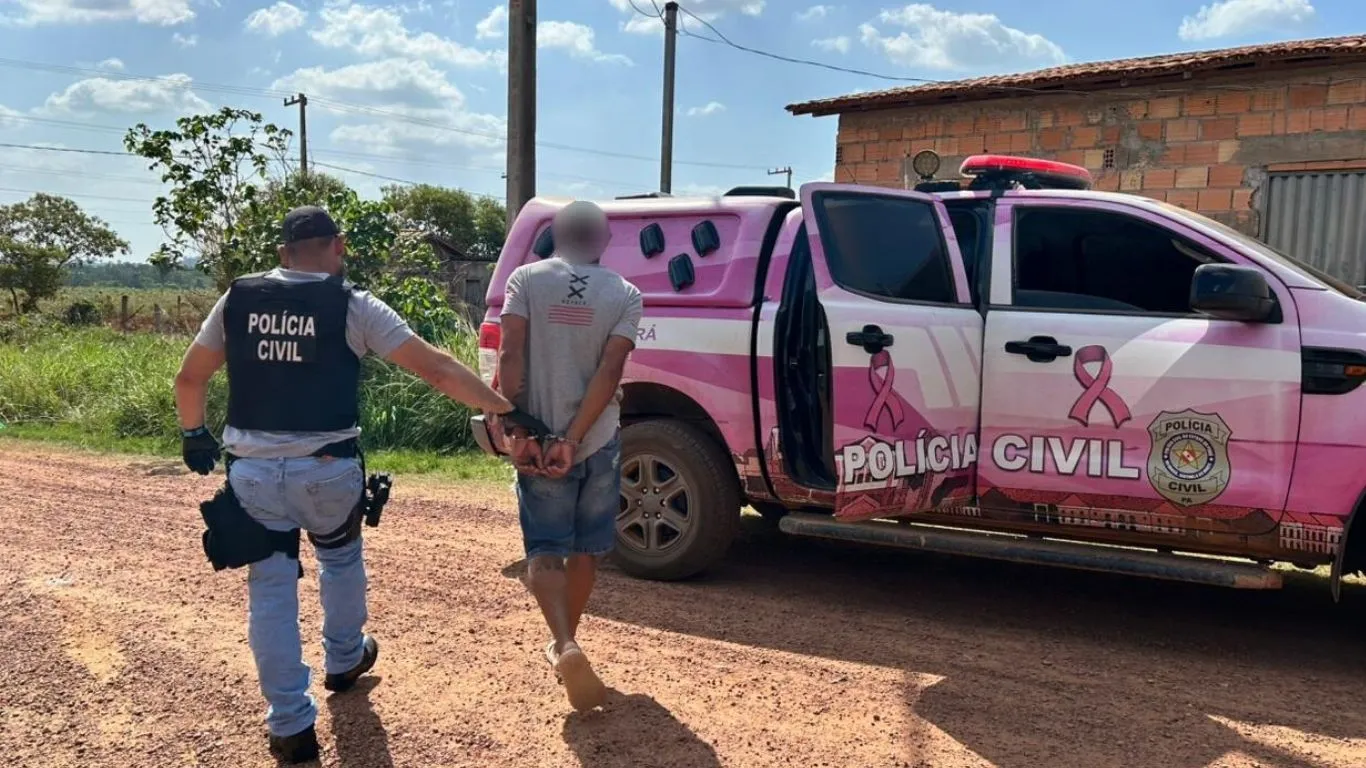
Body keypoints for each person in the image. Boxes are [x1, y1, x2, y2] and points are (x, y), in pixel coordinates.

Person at [174, 206, 542, 763]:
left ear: (282, 255)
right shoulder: (352, 304)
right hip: (327, 468)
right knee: (340, 561)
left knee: (270, 590)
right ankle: (344, 659)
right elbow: (437, 369)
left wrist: (194, 433)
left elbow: (190, 376)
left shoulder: (238, 299)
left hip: (252, 473)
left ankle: (291, 724)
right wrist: (504, 409)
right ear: (338, 246)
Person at [494, 199, 642, 712]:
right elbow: (610, 372)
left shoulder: (526, 280)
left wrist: (516, 426)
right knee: (584, 551)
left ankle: (564, 643)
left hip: (535, 440)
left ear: (554, 236)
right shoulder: (625, 293)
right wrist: (574, 438)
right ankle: (566, 644)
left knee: (544, 548)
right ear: (602, 242)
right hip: (595, 440)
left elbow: (510, 355)